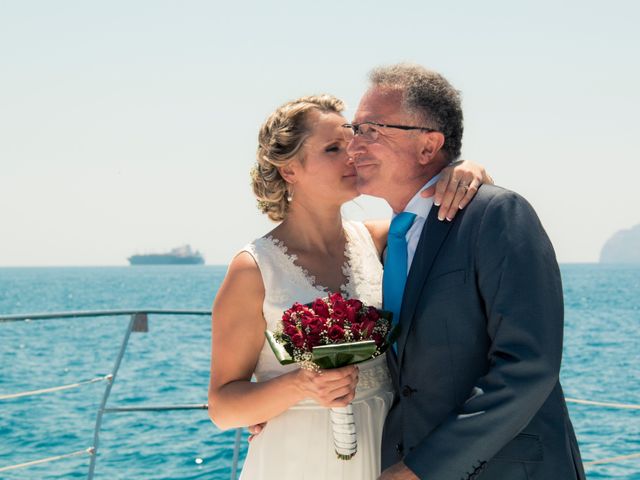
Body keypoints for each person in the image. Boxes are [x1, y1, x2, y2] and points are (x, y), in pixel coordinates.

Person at [207, 94, 492, 479]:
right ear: (289, 170)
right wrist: (301, 385)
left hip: (386, 450)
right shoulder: (253, 268)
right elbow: (223, 407)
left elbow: (442, 215)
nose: (353, 154)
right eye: (333, 148)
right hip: (295, 458)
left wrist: (466, 170)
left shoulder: (381, 240)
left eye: (353, 141)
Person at [345, 64, 586, 480]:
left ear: (428, 146)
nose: (354, 146)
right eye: (354, 131)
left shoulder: (495, 214)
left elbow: (529, 366)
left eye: (372, 130)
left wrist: (421, 470)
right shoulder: (385, 242)